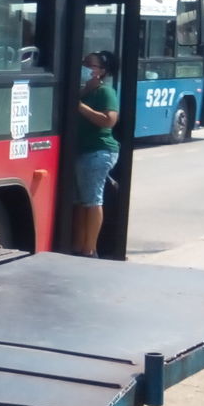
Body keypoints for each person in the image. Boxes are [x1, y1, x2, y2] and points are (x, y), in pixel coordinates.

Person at [72, 49, 120, 257]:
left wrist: (80, 107)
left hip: (98, 152)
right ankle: (78, 245)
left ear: (101, 71)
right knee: (80, 202)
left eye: (89, 65)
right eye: (83, 63)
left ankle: (90, 249)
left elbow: (109, 120)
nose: (84, 67)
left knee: (92, 200)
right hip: (82, 151)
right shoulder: (82, 91)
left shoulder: (105, 92)